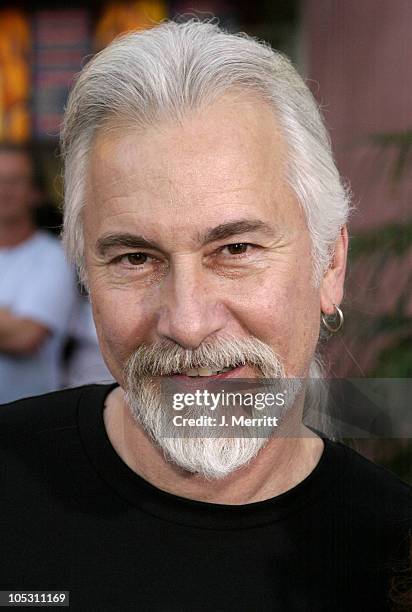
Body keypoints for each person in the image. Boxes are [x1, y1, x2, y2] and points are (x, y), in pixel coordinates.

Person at [0, 21, 410, 610]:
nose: (187, 323)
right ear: (86, 273)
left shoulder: (391, 553)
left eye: (235, 250)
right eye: (136, 257)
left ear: (329, 264)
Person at [0, 143, 75, 403]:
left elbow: (25, 336)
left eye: (15, 181)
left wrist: (16, 326)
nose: (5, 190)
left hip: (28, 417)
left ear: (35, 192)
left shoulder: (53, 257)